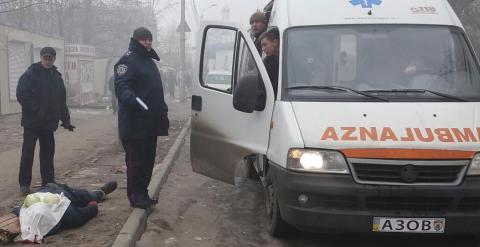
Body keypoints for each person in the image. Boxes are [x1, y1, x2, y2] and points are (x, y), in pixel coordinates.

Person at [114, 27, 169, 209]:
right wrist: (135, 102)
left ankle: (143, 193)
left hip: (149, 123)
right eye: (143, 39)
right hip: (134, 123)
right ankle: (135, 197)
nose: (147, 42)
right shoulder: (127, 61)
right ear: (135, 40)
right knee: (135, 163)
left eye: (149, 39)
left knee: (147, 162)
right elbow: (122, 86)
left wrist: (161, 108)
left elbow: (154, 89)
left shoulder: (148, 61)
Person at [16, 47, 75, 196]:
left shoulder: (56, 77)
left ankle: (48, 181)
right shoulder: (31, 74)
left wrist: (66, 120)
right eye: (45, 58)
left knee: (48, 152)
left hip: (48, 123)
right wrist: (36, 110)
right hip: (32, 122)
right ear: (41, 58)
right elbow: (22, 94)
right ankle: (24, 184)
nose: (47, 61)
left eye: (50, 58)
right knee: (28, 153)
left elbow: (61, 101)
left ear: (54, 59)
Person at [13, 181, 117, 240]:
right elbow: (16, 210)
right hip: (48, 191)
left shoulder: (65, 213)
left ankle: (99, 193)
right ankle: (98, 193)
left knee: (86, 196)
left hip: (62, 194)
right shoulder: (25, 211)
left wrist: (93, 206)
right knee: (83, 196)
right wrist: (93, 207)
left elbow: (84, 214)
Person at [259, 27, 280, 97]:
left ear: (275, 42)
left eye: (265, 44)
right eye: (262, 46)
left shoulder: (288, 60)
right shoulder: (267, 63)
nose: (263, 49)